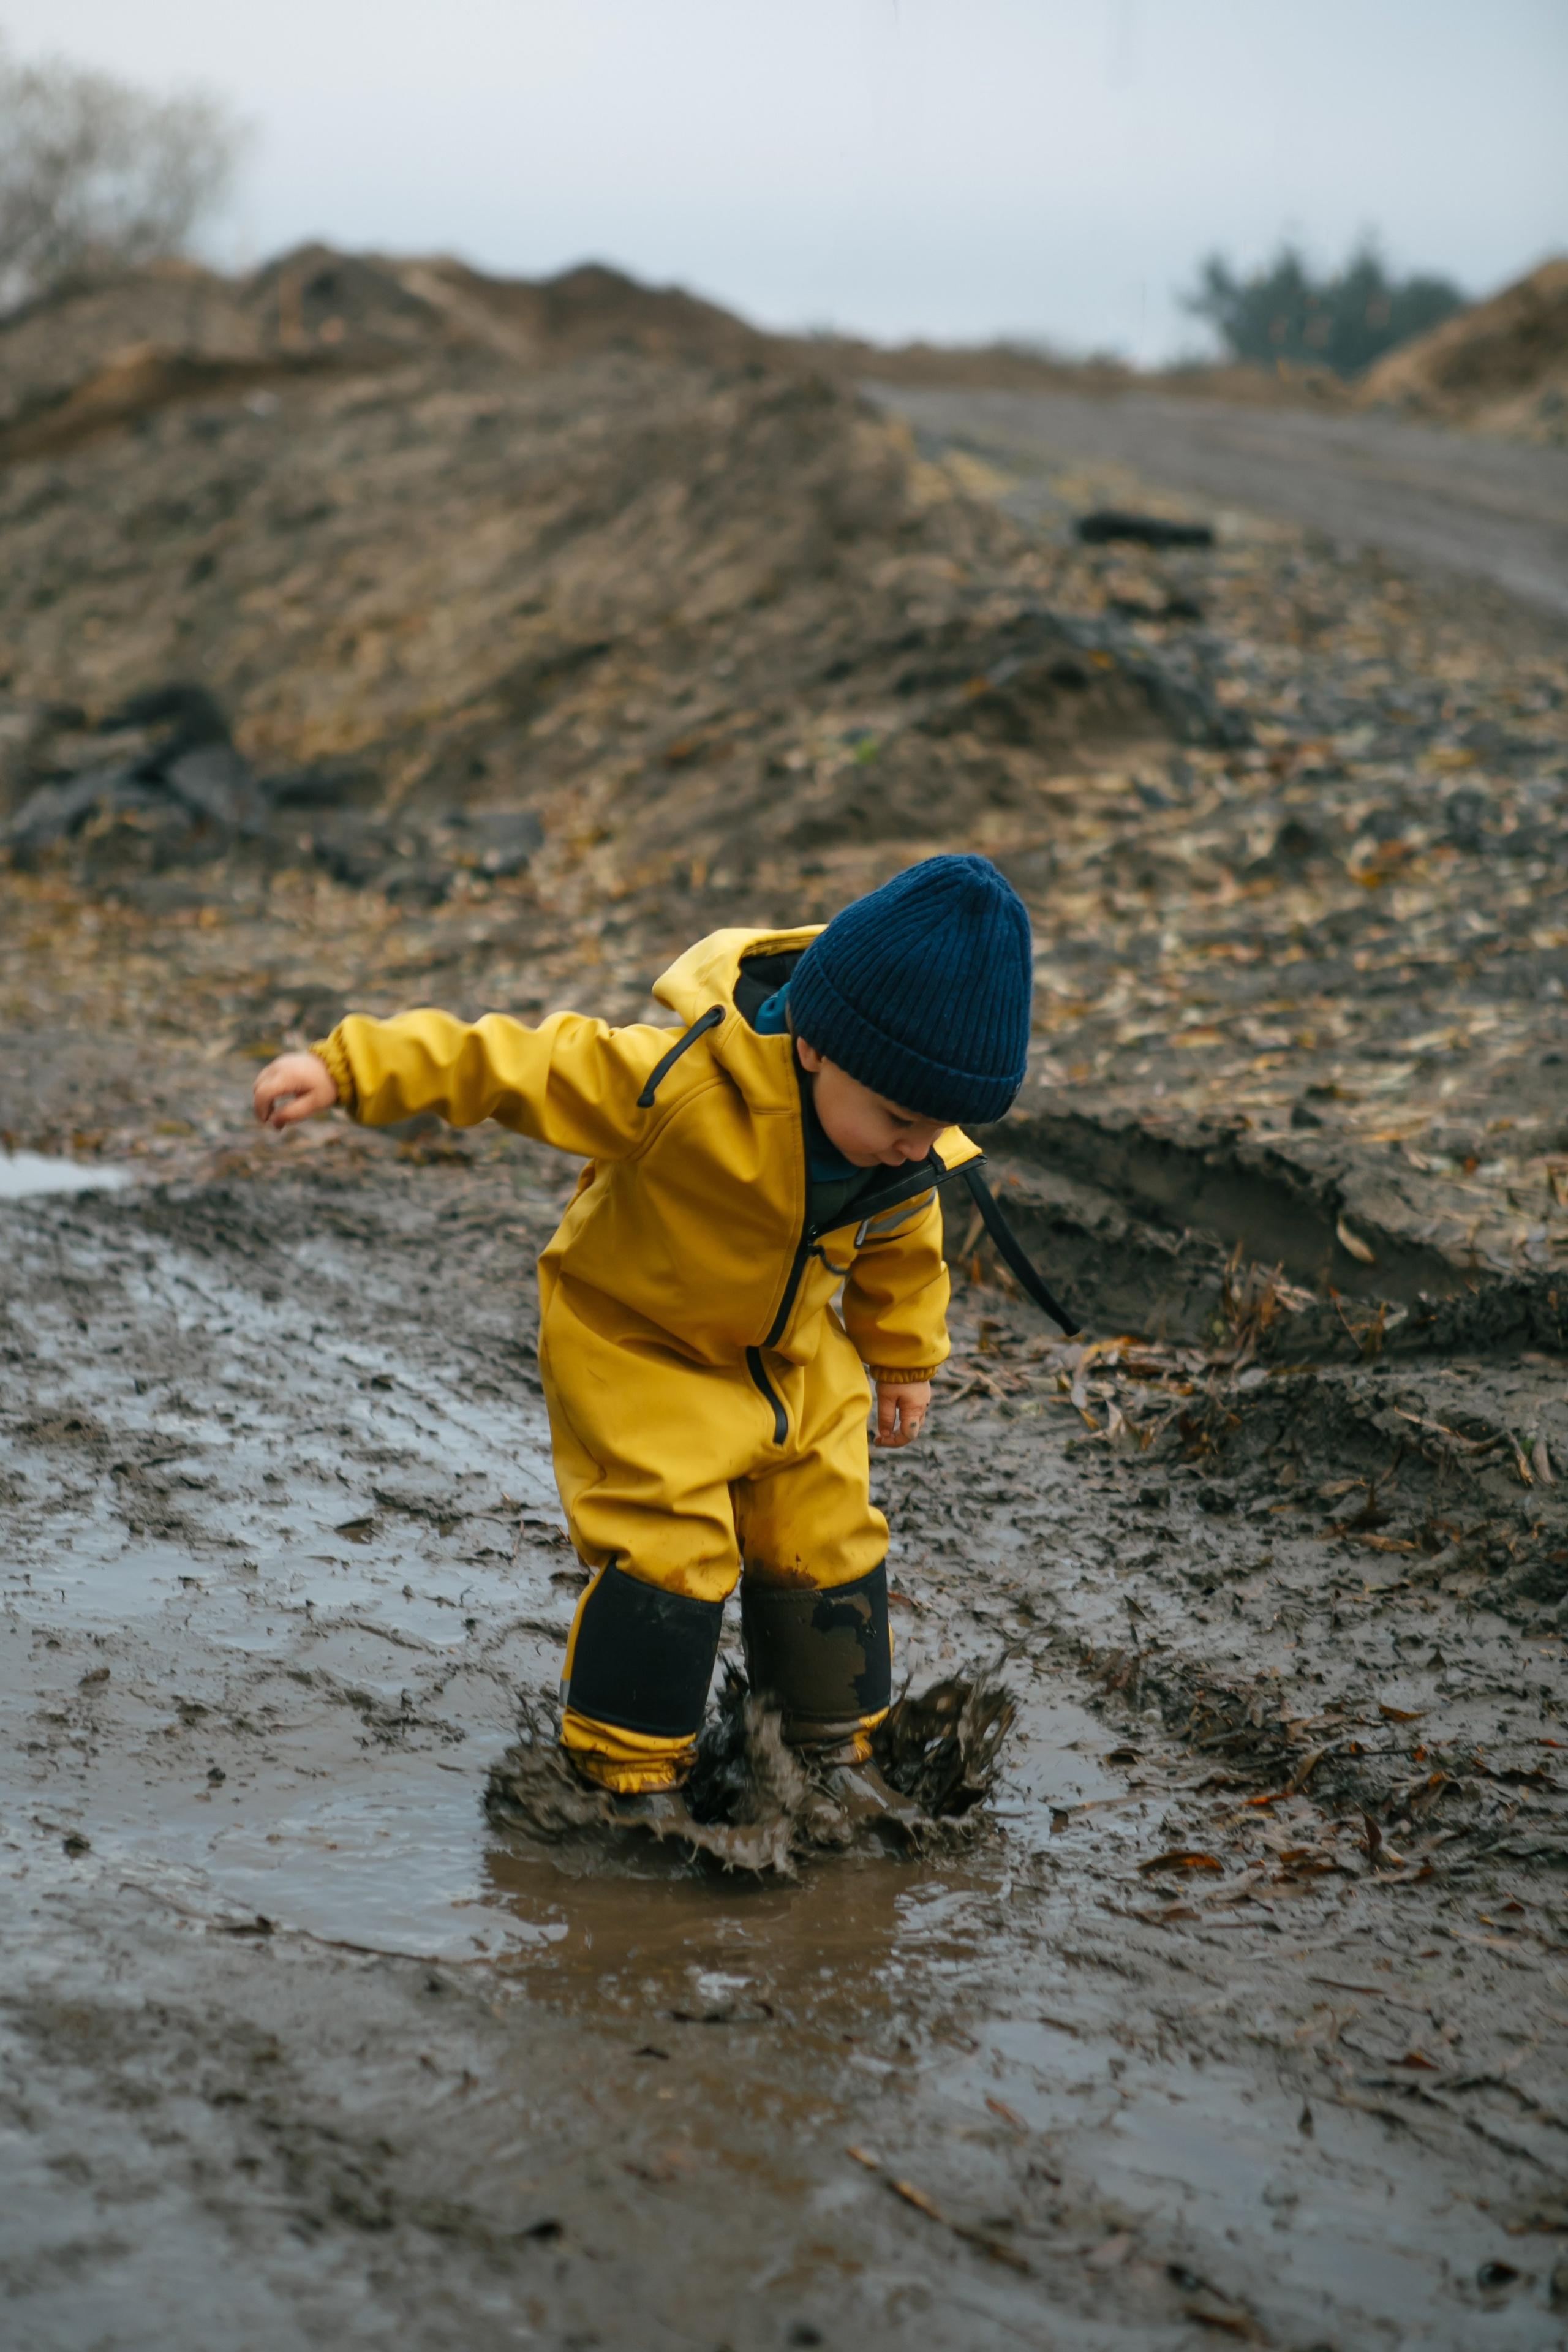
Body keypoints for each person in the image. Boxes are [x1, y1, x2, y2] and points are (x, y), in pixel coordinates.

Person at [252, 853, 1039, 1796]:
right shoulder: (677, 1084)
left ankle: (829, 1748)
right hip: (639, 1347)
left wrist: (905, 1360)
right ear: (816, 1046)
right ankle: (625, 1777)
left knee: (827, 1536)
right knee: (674, 1551)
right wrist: (346, 1069)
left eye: (940, 1126)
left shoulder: (904, 1149)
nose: (918, 1145)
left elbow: (905, 1248)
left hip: (792, 1363)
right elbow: (511, 1065)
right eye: (902, 1117)